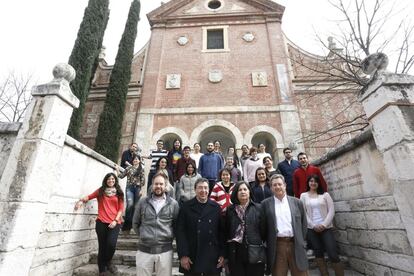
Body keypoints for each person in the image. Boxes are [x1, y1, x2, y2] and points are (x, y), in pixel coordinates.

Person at [74, 173, 124, 276]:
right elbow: (89, 196)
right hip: (101, 222)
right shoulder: (101, 191)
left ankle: (108, 262)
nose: (111, 181)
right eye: (109, 179)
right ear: (106, 180)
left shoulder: (119, 192)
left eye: (113, 179)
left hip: (115, 223)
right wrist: (80, 201)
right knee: (102, 247)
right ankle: (102, 271)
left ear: (115, 180)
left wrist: (115, 220)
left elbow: (120, 209)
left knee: (111, 244)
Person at [132, 172, 180, 276]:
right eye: (156, 184)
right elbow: (135, 223)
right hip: (144, 251)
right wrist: (143, 235)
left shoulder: (173, 204)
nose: (158, 186)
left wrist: (170, 236)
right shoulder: (142, 202)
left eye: (161, 184)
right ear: (152, 185)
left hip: (165, 252)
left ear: (165, 186)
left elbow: (176, 226)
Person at [261, 174, 309, 276]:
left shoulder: (297, 202)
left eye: (279, 184)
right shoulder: (265, 204)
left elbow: (304, 224)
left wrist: (301, 240)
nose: (277, 187)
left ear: (285, 185)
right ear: (271, 188)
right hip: (277, 245)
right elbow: (263, 227)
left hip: (296, 244)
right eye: (274, 185)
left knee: (301, 273)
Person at [176, 178, 225, 276]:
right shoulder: (186, 207)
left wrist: (223, 254)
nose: (203, 191)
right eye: (200, 188)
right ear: (195, 190)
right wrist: (183, 255)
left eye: (206, 188)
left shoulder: (216, 207)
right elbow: (180, 232)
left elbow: (222, 233)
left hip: (212, 255)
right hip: (192, 255)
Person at [300, 175, 344, 276]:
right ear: (308, 183)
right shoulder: (303, 196)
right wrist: (313, 225)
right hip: (312, 228)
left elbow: (331, 210)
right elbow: (303, 212)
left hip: (326, 228)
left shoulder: (325, 195)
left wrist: (324, 225)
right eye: (311, 181)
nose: (313, 183)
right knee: (318, 253)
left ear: (318, 183)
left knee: (332, 253)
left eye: (315, 181)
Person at [225, 181, 265, 276]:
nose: (243, 192)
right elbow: (227, 231)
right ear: (235, 193)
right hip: (236, 253)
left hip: (254, 252)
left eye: (245, 189)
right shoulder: (230, 210)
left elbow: (264, 231)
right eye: (239, 190)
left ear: (249, 192)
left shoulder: (258, 208)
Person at [115, 155, 145, 233]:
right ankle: (127, 224)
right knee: (130, 205)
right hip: (129, 188)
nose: (135, 160)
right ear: (132, 160)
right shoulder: (128, 168)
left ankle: (133, 224)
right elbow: (121, 176)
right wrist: (117, 170)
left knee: (135, 207)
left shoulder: (141, 169)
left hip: (138, 188)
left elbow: (143, 181)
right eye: (134, 159)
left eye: (137, 159)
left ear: (139, 161)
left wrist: (141, 190)